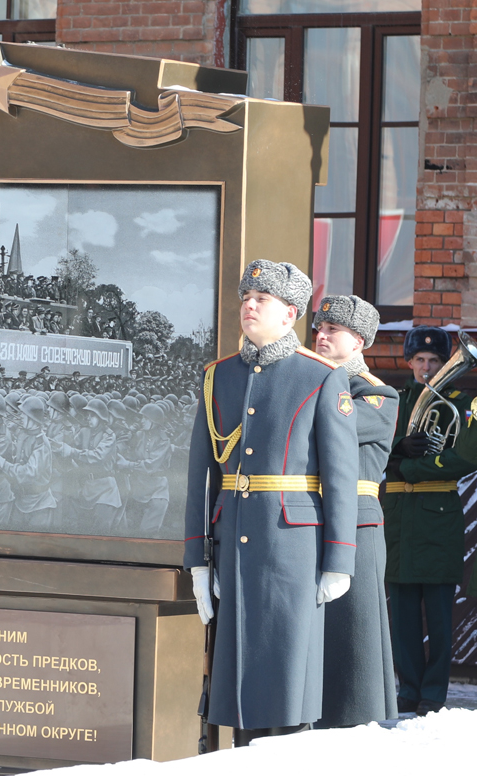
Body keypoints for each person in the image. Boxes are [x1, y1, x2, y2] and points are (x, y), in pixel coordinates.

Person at [184, 259, 358, 745]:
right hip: (232, 544)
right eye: (246, 297)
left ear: (292, 313)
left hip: (292, 548)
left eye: (263, 299)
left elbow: (341, 476)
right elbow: (202, 475)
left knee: (287, 680)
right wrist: (197, 559)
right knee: (238, 681)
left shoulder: (319, 376)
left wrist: (339, 559)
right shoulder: (218, 376)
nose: (250, 305)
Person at [311, 295, 399, 727]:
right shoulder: (318, 385)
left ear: (360, 340)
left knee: (357, 631)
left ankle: (362, 721)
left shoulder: (379, 396)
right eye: (319, 328)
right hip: (316, 519)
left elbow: (332, 423)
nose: (321, 336)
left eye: (333, 330)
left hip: (360, 526)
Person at [383, 325, 476, 716]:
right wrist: (397, 450)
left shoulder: (462, 402)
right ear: (408, 362)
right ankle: (408, 690)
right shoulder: (390, 400)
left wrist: (407, 466)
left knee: (438, 614)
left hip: (438, 517)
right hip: (397, 519)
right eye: (420, 360)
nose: (426, 367)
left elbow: (466, 457)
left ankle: (434, 692)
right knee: (402, 613)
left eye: (435, 360)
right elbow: (368, 449)